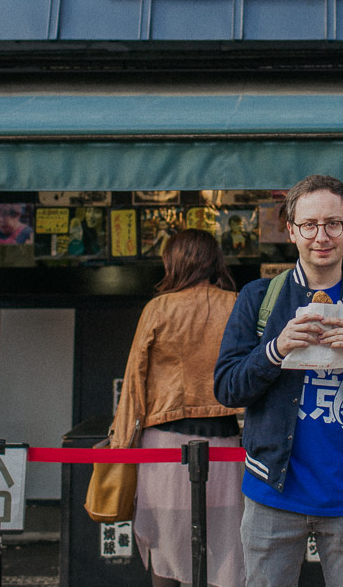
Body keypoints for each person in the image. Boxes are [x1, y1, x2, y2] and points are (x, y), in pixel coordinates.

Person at [214, 174, 343, 587]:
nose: (321, 236)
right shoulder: (259, 299)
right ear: (291, 230)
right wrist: (276, 347)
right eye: (309, 225)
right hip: (273, 489)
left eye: (333, 224)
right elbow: (227, 387)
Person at [110, 229, 245, 587]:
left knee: (166, 546)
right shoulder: (235, 304)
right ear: (215, 261)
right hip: (225, 443)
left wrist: (121, 444)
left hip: (163, 447)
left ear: (173, 261)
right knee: (226, 542)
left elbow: (134, 379)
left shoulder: (158, 308)